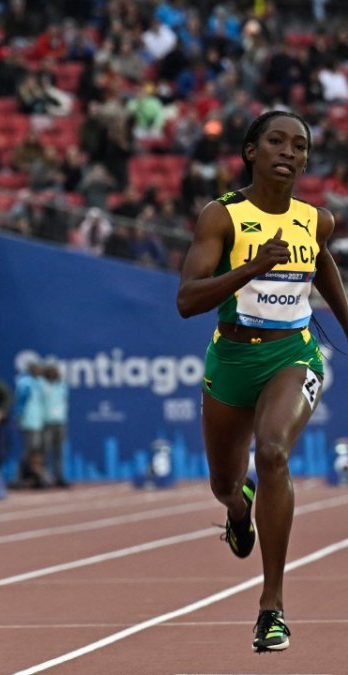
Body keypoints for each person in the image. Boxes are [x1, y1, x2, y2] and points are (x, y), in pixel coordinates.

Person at [176, 110, 348, 653]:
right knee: (224, 485)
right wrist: (251, 268)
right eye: (277, 141)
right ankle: (237, 509)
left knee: (272, 453)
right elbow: (186, 300)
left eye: (299, 145)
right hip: (231, 358)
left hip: (292, 356)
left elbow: (322, 266)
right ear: (252, 151)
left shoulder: (315, 220)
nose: (289, 152)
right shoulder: (222, 217)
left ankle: (271, 606)